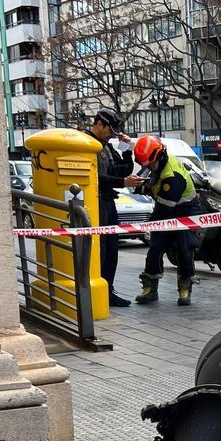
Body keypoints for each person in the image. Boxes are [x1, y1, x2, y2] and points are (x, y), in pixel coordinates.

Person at [129, 135, 198, 306]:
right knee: (155, 248)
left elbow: (164, 208)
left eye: (149, 164)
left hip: (184, 211)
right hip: (166, 209)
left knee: (184, 249)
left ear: (158, 156)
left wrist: (151, 222)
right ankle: (150, 288)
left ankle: (185, 287)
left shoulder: (172, 176)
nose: (148, 167)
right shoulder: (156, 164)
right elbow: (149, 185)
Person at [84, 108, 135, 307]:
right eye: (109, 130)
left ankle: (108, 289)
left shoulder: (106, 146)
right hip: (96, 201)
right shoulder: (87, 144)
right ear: (99, 124)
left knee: (112, 248)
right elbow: (96, 178)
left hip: (108, 201)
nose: (111, 135)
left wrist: (126, 148)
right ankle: (97, 289)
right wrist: (123, 182)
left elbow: (122, 168)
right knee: (101, 249)